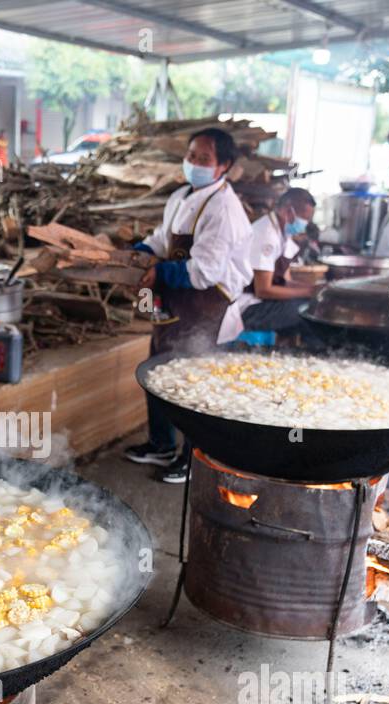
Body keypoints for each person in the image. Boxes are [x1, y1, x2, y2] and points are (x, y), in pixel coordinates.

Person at [124, 127, 253, 484]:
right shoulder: (183, 194)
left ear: (223, 165)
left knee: (192, 381)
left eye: (204, 159)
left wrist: (158, 272)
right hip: (178, 301)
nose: (193, 163)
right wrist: (142, 253)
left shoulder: (224, 209)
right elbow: (163, 238)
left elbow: (204, 271)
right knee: (156, 368)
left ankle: (193, 458)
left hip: (208, 303)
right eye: (192, 155)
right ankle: (161, 443)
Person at [233, 187, 317, 336]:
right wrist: (308, 292)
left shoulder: (283, 234)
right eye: (304, 218)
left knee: (312, 305)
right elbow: (263, 290)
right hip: (245, 307)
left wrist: (315, 289)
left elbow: (285, 281)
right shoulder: (265, 234)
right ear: (288, 211)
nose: (305, 224)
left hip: (259, 301)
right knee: (305, 311)